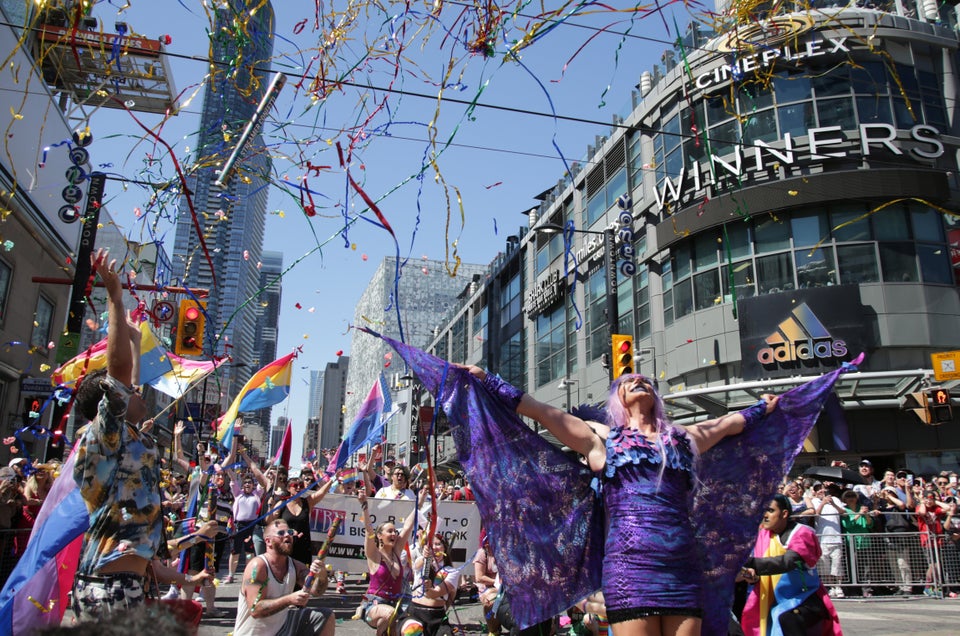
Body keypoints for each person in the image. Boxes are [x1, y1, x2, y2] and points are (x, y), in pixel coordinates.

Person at [466, 367, 777, 635]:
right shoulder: (603, 440)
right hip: (630, 569)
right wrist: (489, 381)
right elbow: (541, 411)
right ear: (619, 400)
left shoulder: (682, 438)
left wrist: (764, 408)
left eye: (645, 381)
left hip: (682, 569)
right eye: (628, 382)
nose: (637, 381)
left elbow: (727, 424)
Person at [71, 250, 162, 621]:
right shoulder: (105, 438)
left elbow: (131, 381)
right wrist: (114, 299)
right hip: (107, 590)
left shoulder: (126, 440)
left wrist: (136, 340)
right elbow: (121, 377)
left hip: (128, 585)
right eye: (128, 392)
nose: (137, 392)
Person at [738, 494, 841, 636]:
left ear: (784, 513)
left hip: (802, 599)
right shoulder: (763, 535)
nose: (765, 515)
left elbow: (788, 562)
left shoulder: (802, 533)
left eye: (770, 510)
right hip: (769, 600)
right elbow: (756, 574)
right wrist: (749, 575)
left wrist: (745, 562)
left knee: (786, 619)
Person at [233, 519, 334, 636]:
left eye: (290, 532)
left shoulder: (295, 566)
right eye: (281, 533)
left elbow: (316, 591)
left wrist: (321, 576)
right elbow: (255, 610)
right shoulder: (258, 566)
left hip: (280, 630)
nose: (287, 536)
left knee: (325, 616)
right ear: (268, 541)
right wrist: (289, 599)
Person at [357, 488, 420, 636]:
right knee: (389, 614)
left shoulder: (396, 552)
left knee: (415, 629)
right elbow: (368, 530)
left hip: (398, 605)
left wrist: (420, 503)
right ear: (380, 536)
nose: (394, 534)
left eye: (394, 532)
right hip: (374, 606)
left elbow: (408, 526)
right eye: (389, 531)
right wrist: (364, 504)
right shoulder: (374, 555)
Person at [400, 532, 460, 636]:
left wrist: (428, 589)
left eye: (438, 544)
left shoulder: (451, 572)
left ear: (444, 548)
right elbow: (417, 564)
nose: (435, 548)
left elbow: (435, 594)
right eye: (431, 545)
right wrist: (425, 558)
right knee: (413, 631)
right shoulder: (421, 562)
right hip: (414, 613)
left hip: (436, 616)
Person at [267, 474, 334, 565]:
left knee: (302, 575)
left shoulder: (307, 502)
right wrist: (270, 507)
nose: (298, 488)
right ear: (288, 488)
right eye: (295, 486)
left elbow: (321, 493)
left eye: (301, 486)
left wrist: (332, 480)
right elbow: (269, 522)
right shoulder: (282, 504)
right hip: (286, 545)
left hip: (303, 546)